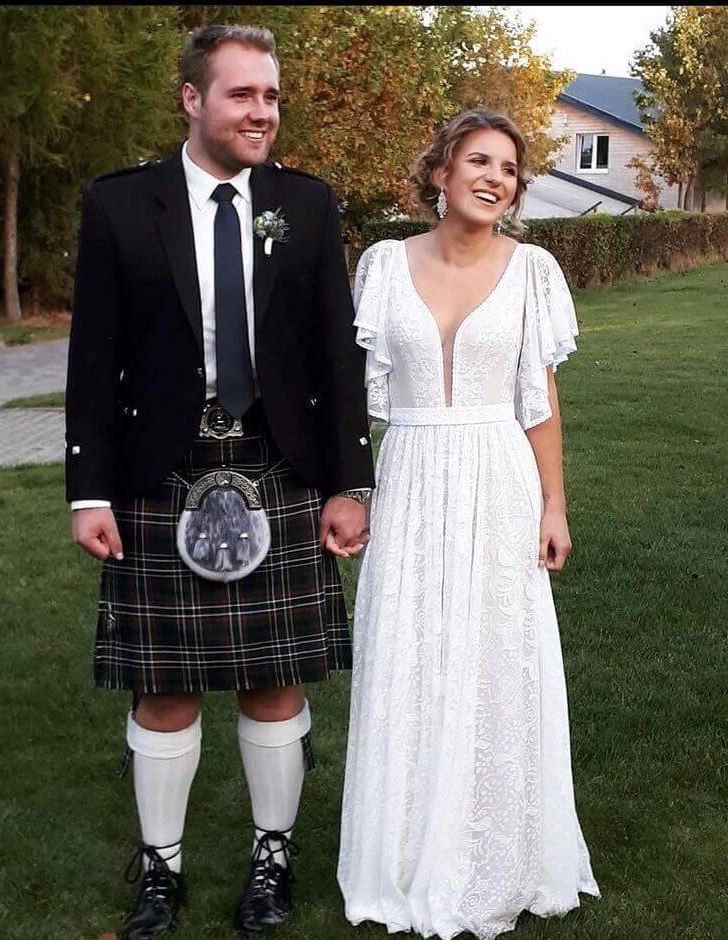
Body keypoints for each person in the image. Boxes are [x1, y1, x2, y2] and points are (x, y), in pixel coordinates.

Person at [65, 24, 374, 939]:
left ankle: (271, 860)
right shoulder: (122, 205)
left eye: (270, 96)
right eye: (243, 94)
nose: (262, 112)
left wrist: (350, 483)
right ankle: (161, 872)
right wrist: (88, 492)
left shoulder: (305, 204)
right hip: (159, 473)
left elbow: (337, 356)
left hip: (278, 464)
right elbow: (94, 358)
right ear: (192, 100)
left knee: (275, 678)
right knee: (163, 686)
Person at [338, 108, 599, 939]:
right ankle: (403, 853)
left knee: (496, 656)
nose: (495, 178)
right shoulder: (383, 265)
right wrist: (352, 491)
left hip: (499, 479)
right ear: (440, 172)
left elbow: (540, 402)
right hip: (411, 475)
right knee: (409, 651)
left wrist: (554, 505)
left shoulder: (533, 272)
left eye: (510, 169)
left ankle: (497, 850)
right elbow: (353, 399)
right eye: (479, 161)